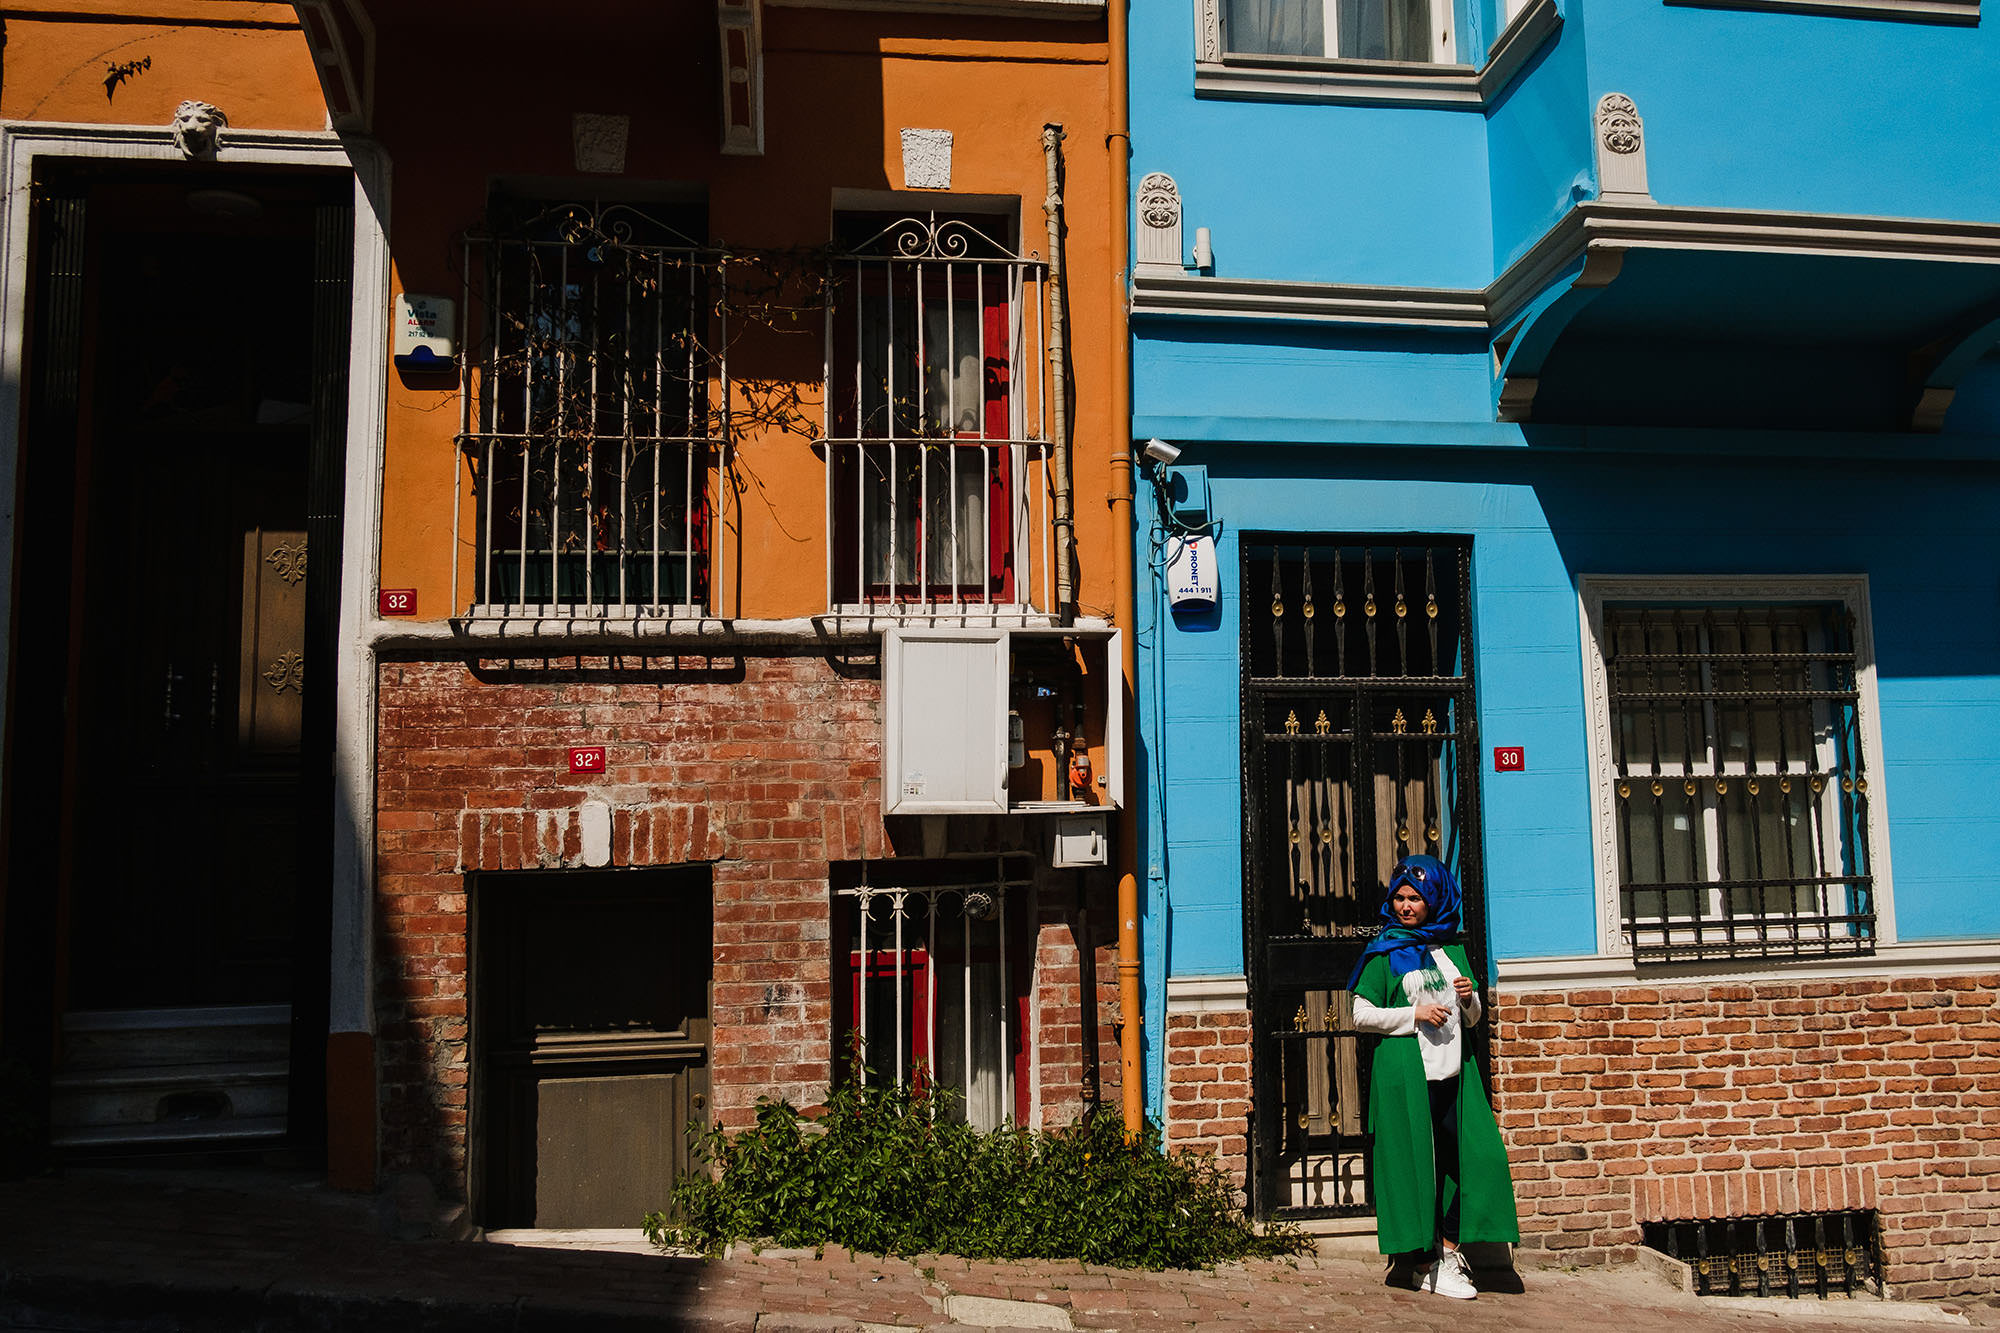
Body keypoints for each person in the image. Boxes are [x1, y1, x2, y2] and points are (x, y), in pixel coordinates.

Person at [1347, 853, 1519, 1300]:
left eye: (1416, 899)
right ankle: (1424, 1264)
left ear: (1435, 900)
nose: (1406, 907)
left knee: (1475, 1162)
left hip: (1454, 1076)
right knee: (1415, 1168)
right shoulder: (1386, 950)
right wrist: (1414, 1013)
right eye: (1400, 898)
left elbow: (1475, 1019)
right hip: (1407, 1077)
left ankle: (1449, 1249)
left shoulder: (1452, 950)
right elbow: (1360, 1014)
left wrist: (1468, 998)